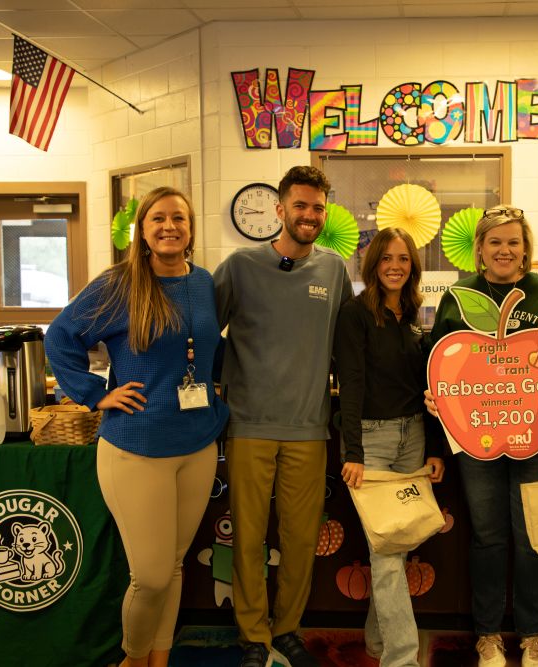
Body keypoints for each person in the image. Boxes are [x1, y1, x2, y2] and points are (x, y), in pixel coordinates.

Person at [45, 186, 228, 667]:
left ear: (190, 228)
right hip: (136, 446)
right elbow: (60, 336)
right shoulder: (119, 284)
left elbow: (206, 350)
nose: (170, 227)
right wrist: (95, 394)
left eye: (179, 218)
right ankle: (132, 658)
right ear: (142, 231)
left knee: (173, 566)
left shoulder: (203, 282)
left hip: (197, 442)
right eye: (158, 219)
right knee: (149, 577)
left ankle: (159, 659)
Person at [427, 205, 538, 667]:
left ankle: (533, 634)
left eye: (513, 242)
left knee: (533, 534)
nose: (504, 250)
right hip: (476, 438)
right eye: (495, 242)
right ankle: (488, 635)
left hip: (535, 435)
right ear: (479, 249)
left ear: (525, 248)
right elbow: (437, 360)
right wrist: (436, 396)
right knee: (488, 537)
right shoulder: (459, 297)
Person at [213, 165, 352, 667]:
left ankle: (287, 626)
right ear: (280, 209)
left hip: (309, 427)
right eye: (300, 205)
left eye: (318, 207)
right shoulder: (240, 266)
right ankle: (254, 634)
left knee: (299, 540)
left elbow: (347, 346)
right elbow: (204, 332)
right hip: (248, 424)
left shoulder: (334, 270)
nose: (309, 215)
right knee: (249, 537)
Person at [334, 227, 445, 667]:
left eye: (402, 258)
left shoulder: (413, 313)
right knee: (385, 553)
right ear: (373, 264)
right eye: (386, 258)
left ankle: (377, 642)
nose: (395, 266)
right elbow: (351, 384)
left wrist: (433, 447)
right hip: (371, 441)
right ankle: (402, 658)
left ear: (412, 265)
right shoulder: (354, 314)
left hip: (412, 438)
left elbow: (425, 387)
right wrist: (353, 452)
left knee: (394, 549)